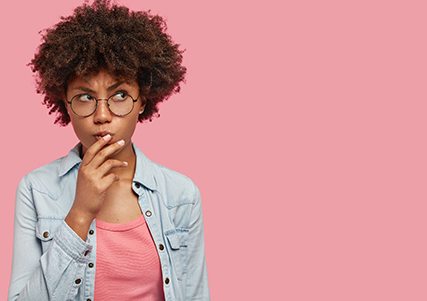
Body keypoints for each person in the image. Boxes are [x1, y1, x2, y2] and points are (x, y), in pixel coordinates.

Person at [7, 0, 210, 300]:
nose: (102, 115)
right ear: (66, 103)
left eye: (120, 95)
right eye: (86, 97)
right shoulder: (36, 190)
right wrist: (79, 213)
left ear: (143, 100)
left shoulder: (181, 196)